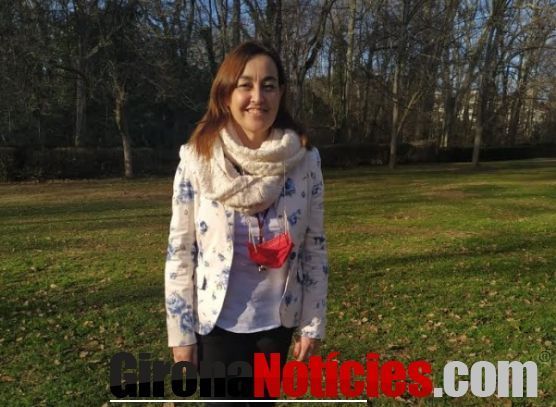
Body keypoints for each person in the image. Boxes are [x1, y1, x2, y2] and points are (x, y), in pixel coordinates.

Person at [164, 41, 328, 404]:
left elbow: (314, 248)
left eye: (268, 85)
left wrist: (312, 323)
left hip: (277, 325)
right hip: (216, 327)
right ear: (226, 94)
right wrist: (181, 337)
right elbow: (180, 253)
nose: (258, 97)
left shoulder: (305, 160)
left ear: (281, 93)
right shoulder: (196, 159)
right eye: (245, 85)